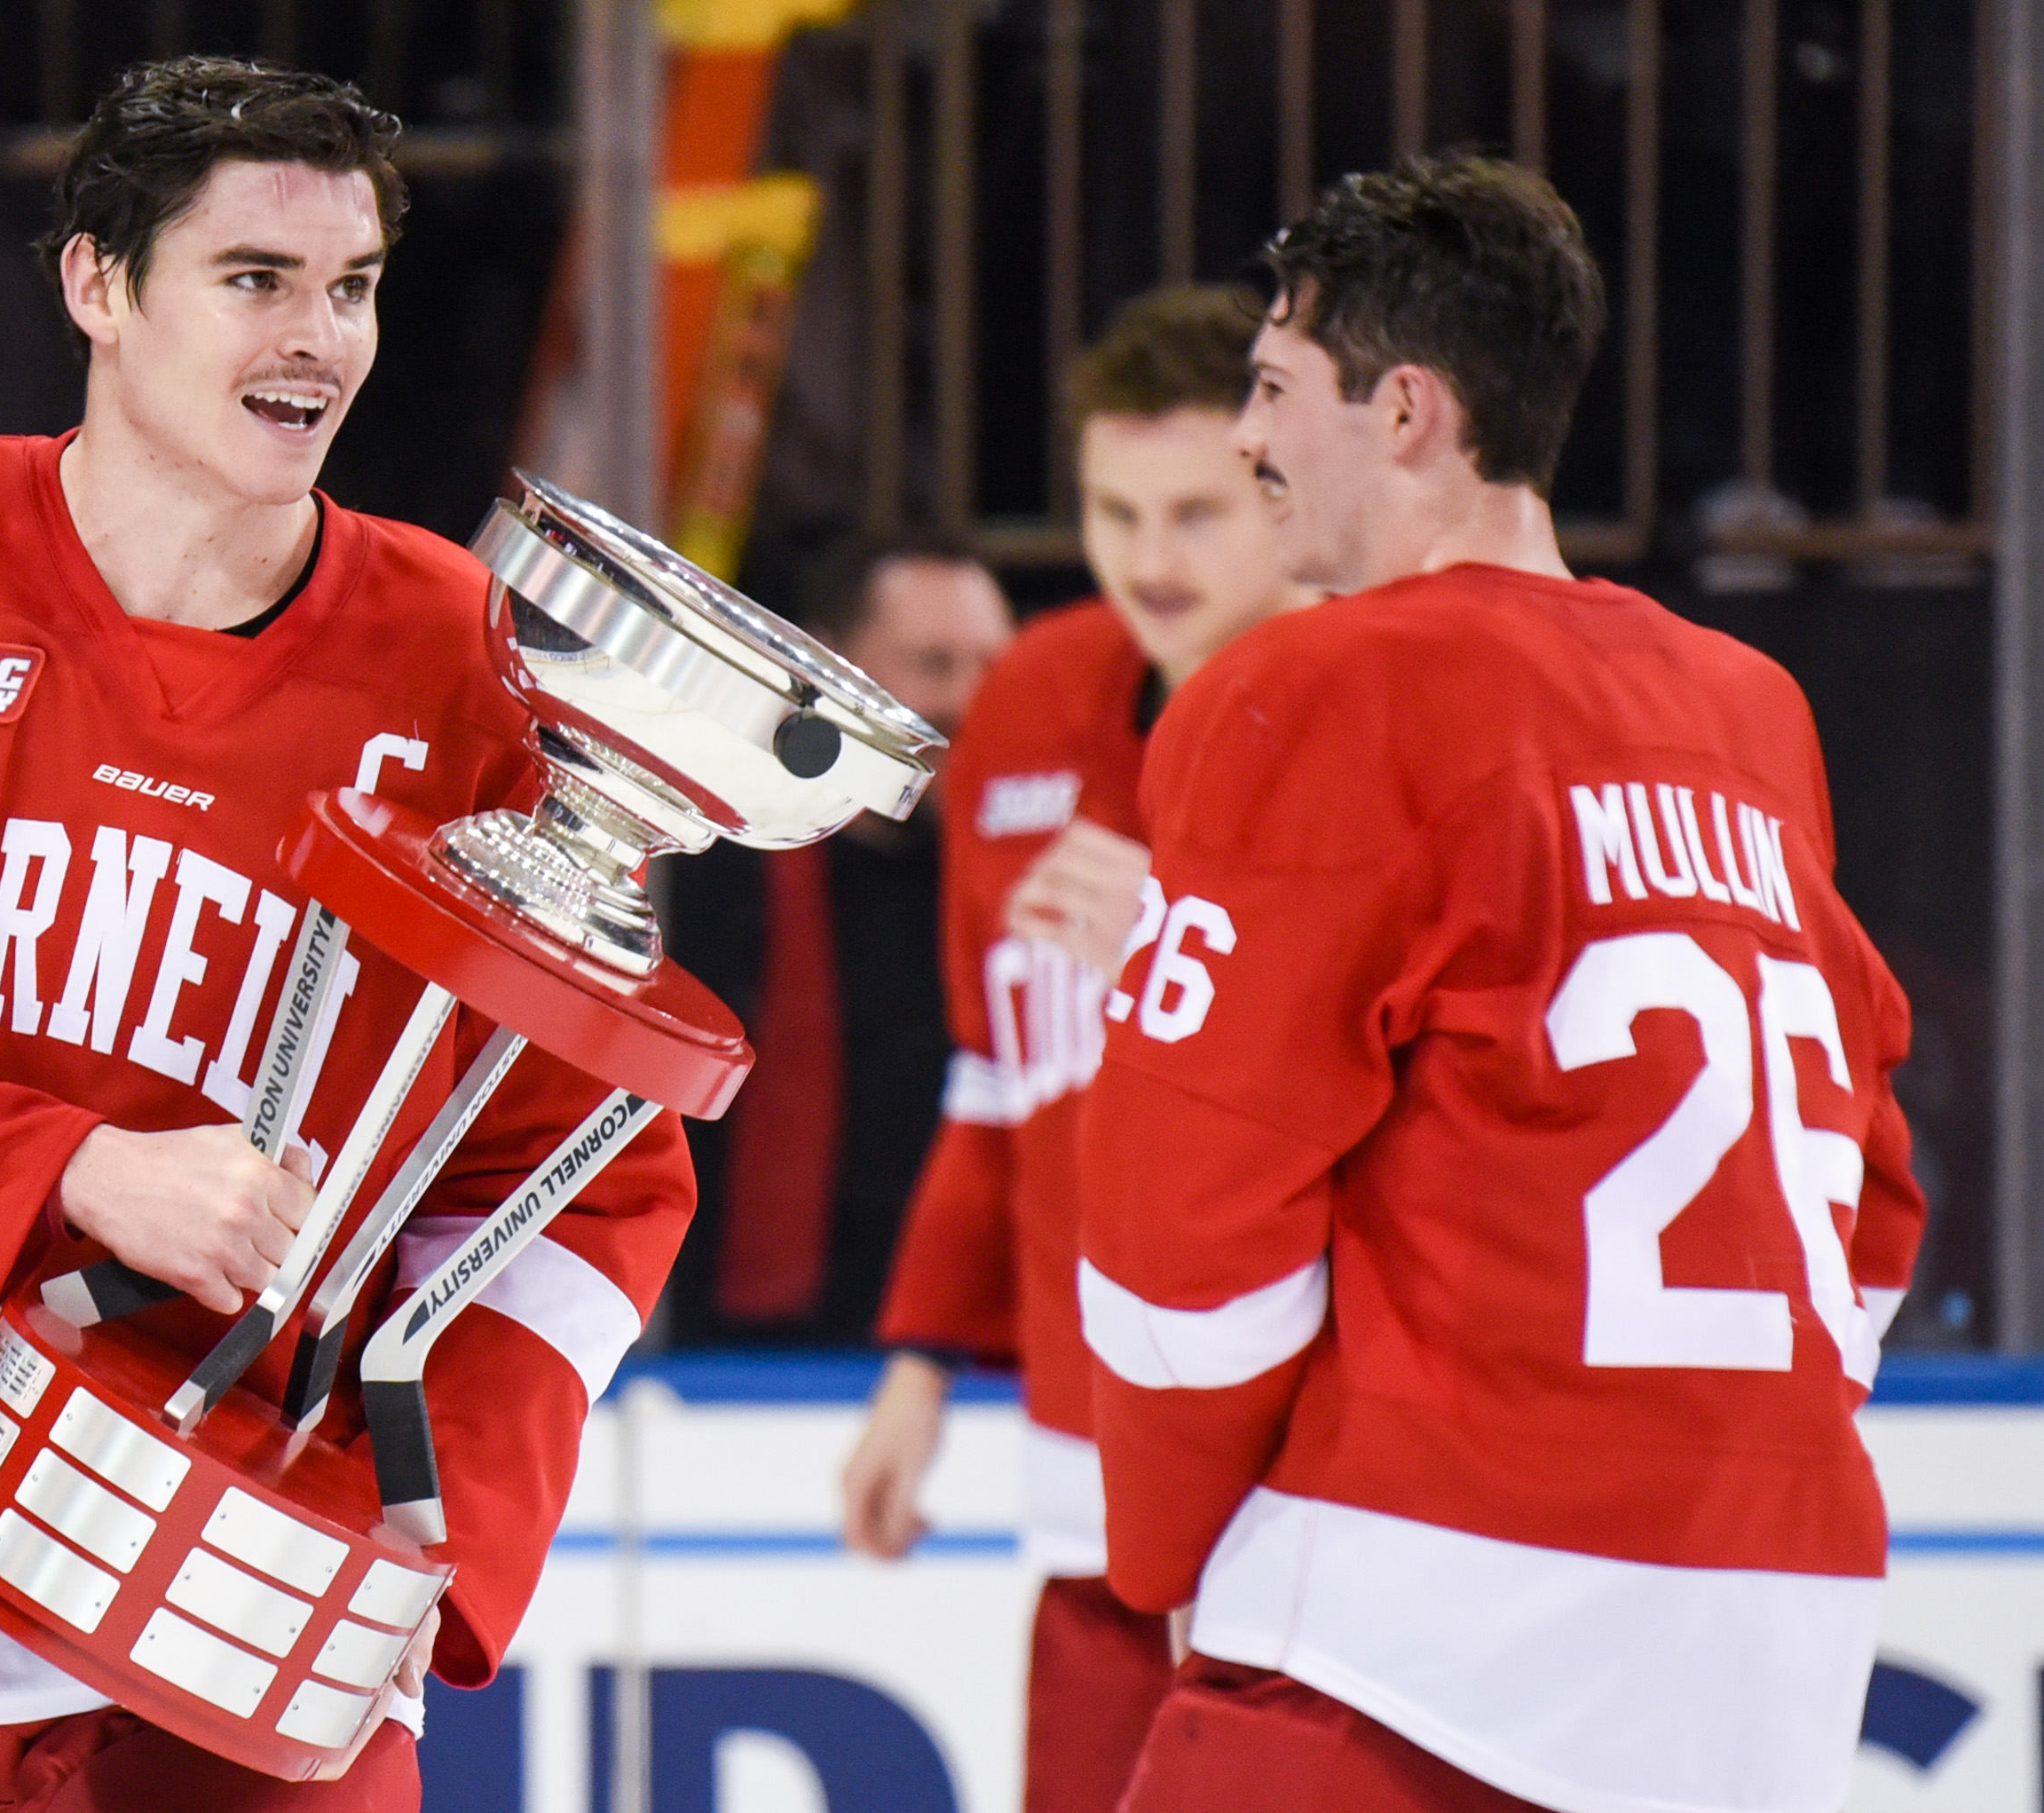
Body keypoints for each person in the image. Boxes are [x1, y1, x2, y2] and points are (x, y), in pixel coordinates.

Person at [0, 59, 696, 1813]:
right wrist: (72, 1171)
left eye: (354, 288)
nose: (317, 339)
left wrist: (448, 1520)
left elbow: (579, 1171)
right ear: (98, 284)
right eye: (254, 279)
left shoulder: (476, 685)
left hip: (252, 1622)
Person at [1083, 154, 1924, 1813]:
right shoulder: (1748, 707)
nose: (1247, 439)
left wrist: (1175, 1553)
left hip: (1421, 1639)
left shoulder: (1313, 686)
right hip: (1777, 1644)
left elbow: (1184, 1224)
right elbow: (1873, 1193)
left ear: (1403, 410)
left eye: (1270, 386)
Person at [836, 286, 1310, 1811]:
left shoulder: (1374, 710)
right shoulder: (1033, 699)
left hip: (1312, 1479)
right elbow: (997, 1073)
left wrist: (1177, 934)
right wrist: (917, 1360)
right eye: (1113, 511)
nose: (1148, 561)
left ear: (1279, 485)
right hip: (1080, 1469)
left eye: (1193, 512)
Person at [660, 534, 1014, 1345]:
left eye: (996, 666)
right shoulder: (707, 863)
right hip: (736, 1365)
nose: (975, 700)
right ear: (833, 673)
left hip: (966, 1349)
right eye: (935, 664)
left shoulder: (1028, 877)